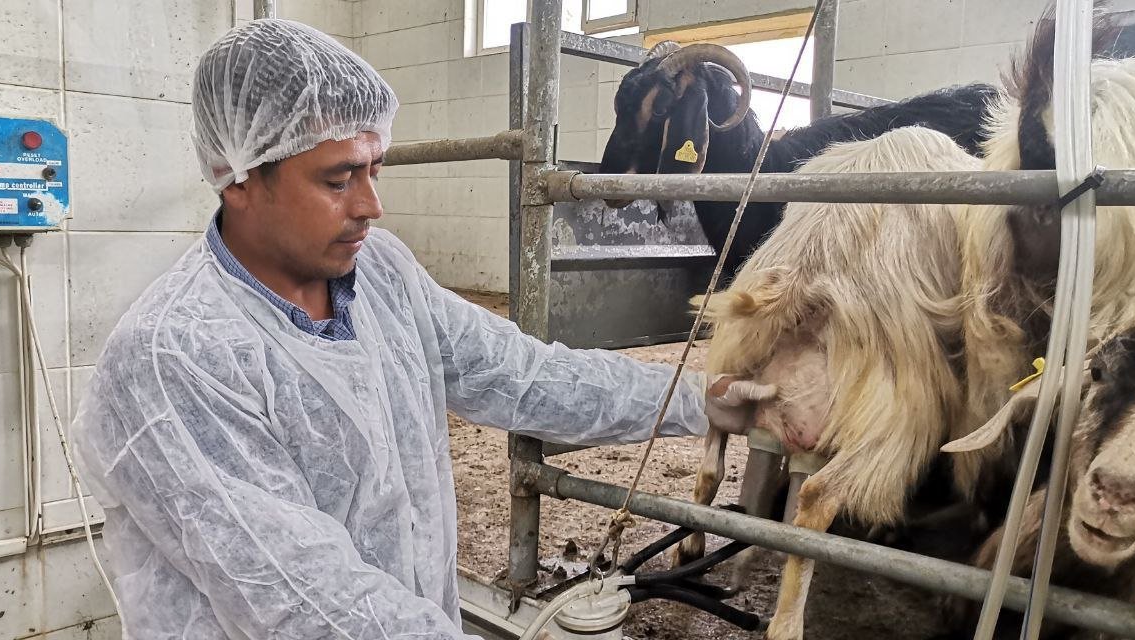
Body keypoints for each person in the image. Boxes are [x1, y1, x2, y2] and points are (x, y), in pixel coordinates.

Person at [73, 18, 764, 639]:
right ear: (239, 177)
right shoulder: (175, 357)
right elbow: (303, 600)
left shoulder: (381, 276)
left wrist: (697, 400)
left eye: (375, 169)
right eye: (339, 178)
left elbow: (520, 373)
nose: (373, 204)